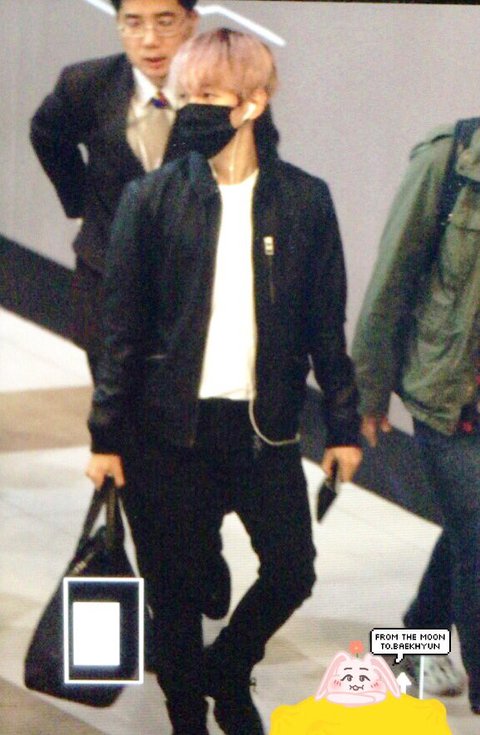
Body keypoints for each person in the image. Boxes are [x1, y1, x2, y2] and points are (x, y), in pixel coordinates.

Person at [86, 27, 362, 735]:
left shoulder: (304, 201)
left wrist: (344, 425)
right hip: (165, 431)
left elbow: (326, 325)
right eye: (186, 96)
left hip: (263, 431)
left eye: (209, 95)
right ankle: (187, 717)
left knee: (292, 569)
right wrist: (105, 436)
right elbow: (121, 331)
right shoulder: (151, 199)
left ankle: (228, 668)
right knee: (175, 597)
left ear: (254, 102)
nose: (192, 109)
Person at [30, 0, 231, 622]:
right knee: (132, 447)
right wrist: (83, 206)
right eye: (133, 23)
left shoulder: (222, 88)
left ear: (191, 22)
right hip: (107, 290)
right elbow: (46, 134)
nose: (149, 39)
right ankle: (161, 587)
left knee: (198, 442)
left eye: (165, 21)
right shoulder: (86, 84)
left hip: (194, 298)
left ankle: (202, 548)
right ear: (118, 26)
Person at [352, 120, 480, 709]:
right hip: (452, 399)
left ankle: (407, 647)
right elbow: (392, 278)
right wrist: (368, 391)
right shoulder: (449, 162)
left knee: (468, 533)